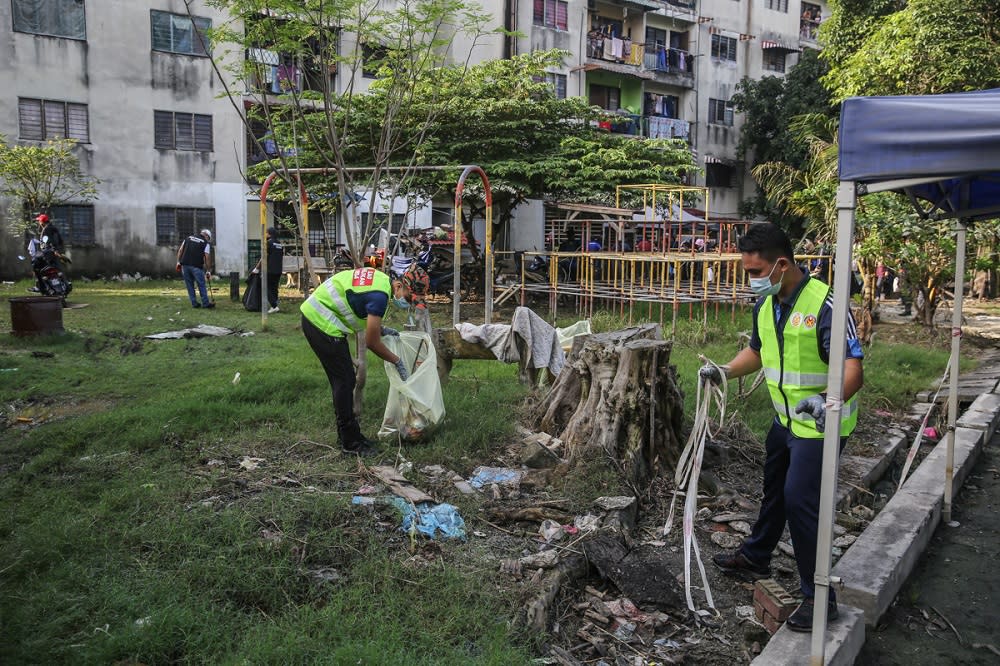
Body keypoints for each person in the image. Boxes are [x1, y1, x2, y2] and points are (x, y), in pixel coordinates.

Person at [700, 222, 864, 632]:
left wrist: (829, 401)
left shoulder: (826, 304)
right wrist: (722, 372)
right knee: (774, 489)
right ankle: (757, 556)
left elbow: (852, 369)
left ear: (781, 264)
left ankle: (819, 597)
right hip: (785, 419)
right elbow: (757, 352)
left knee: (800, 501)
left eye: (755, 273)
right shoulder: (767, 303)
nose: (750, 281)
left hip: (821, 424)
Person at [300, 266, 412, 457]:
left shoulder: (381, 281)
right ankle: (350, 443)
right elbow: (371, 342)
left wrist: (380, 328)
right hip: (320, 322)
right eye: (407, 297)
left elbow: (358, 303)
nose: (406, 303)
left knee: (345, 380)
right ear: (399, 285)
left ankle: (350, 436)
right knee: (344, 381)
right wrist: (396, 360)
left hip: (317, 316)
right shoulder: (380, 295)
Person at [176, 229, 215, 309]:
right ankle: (205, 303)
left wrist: (178, 262)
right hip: (196, 267)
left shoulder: (188, 238)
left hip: (185, 265)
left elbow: (180, 250)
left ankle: (194, 303)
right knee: (201, 285)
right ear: (207, 236)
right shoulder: (205, 243)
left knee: (189, 285)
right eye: (208, 239)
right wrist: (208, 270)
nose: (208, 240)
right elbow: (207, 257)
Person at [252, 227, 284, 313]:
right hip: (278, 270)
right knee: (274, 288)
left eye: (266, 233)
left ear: (269, 234)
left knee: (265, 287)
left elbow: (264, 257)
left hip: (269, 270)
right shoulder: (279, 244)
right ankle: (275, 304)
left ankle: (274, 306)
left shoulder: (268, 243)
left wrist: (257, 268)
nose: (265, 235)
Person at [32, 213, 66, 293]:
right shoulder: (54, 228)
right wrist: (59, 251)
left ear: (42, 222)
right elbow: (60, 241)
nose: (39, 223)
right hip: (55, 254)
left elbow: (51, 241)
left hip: (48, 254)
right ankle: (64, 284)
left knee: (35, 264)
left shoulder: (46, 229)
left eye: (39, 221)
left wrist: (55, 250)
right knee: (58, 269)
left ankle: (39, 286)